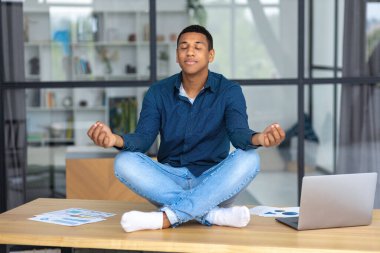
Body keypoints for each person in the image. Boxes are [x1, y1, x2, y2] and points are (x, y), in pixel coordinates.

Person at [87, 25, 285, 232]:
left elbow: (238, 134)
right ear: (177, 55)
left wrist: (260, 138)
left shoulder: (229, 91)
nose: (190, 52)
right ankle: (212, 213)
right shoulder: (158, 92)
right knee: (124, 161)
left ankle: (166, 218)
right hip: (169, 180)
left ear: (211, 55)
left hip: (213, 180)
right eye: (184, 47)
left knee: (250, 158)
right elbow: (144, 139)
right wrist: (114, 140)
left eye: (197, 47)